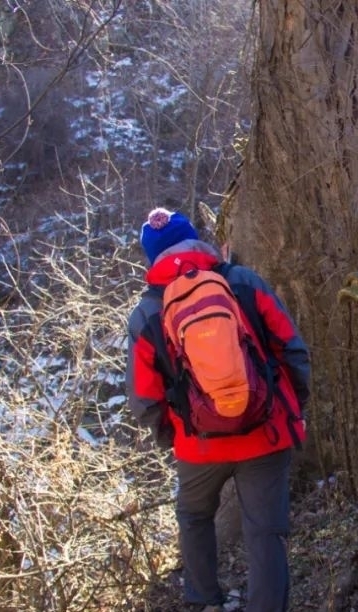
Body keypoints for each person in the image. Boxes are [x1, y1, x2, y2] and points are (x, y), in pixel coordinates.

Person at [125, 208, 311, 612]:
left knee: (193, 517)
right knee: (266, 533)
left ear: (150, 258)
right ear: (195, 238)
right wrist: (292, 405)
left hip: (198, 445)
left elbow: (144, 398)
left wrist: (175, 436)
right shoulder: (243, 282)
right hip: (266, 432)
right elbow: (291, 348)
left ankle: (206, 600)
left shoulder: (145, 315)